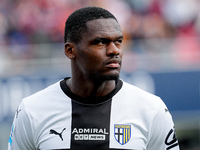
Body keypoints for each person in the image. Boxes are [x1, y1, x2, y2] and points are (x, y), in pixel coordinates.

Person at [8, 6, 180, 150]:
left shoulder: (151, 109)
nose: (114, 50)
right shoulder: (32, 110)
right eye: (100, 42)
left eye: (118, 41)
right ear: (70, 50)